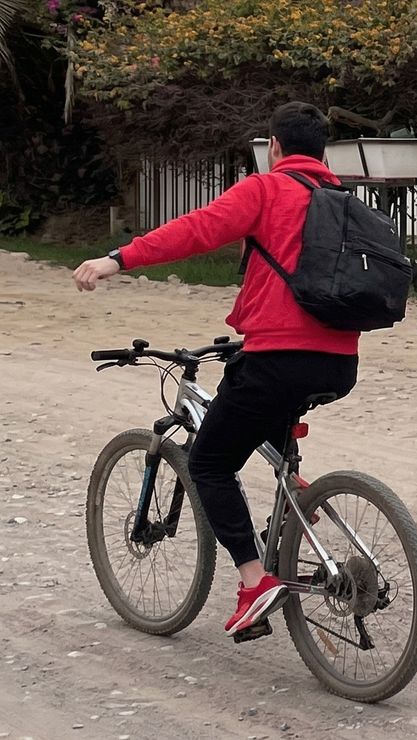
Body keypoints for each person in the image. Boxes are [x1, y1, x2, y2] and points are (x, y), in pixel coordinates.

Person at [72, 102, 359, 636]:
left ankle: (255, 581)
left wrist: (119, 258)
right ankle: (297, 492)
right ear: (324, 151)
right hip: (341, 361)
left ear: (274, 147)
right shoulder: (341, 199)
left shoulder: (267, 189)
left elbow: (197, 230)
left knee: (208, 463)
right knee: (263, 418)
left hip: (277, 357)